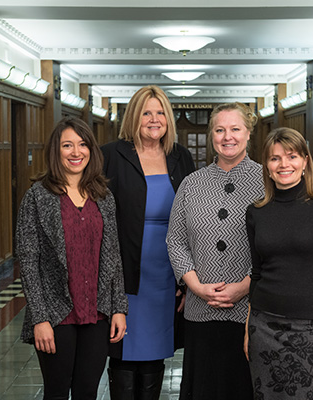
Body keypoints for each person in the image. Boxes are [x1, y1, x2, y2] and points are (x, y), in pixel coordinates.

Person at [15, 117, 128, 400]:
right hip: (56, 314)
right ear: (57, 150)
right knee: (55, 392)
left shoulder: (104, 195)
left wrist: (119, 309)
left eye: (82, 145)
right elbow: (28, 261)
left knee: (87, 391)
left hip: (97, 311)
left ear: (91, 150)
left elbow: (113, 256)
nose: (76, 152)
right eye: (68, 145)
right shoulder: (37, 197)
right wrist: (39, 318)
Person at [101, 85, 195, 400]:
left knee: (156, 348)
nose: (154, 120)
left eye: (160, 113)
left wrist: (187, 279)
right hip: (125, 268)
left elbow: (192, 218)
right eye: (146, 113)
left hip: (167, 272)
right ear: (134, 117)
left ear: (168, 118)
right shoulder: (110, 155)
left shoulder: (180, 156)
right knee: (123, 346)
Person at [166, 102, 264, 400]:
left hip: (249, 310)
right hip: (200, 308)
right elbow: (175, 240)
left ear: (248, 133)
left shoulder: (266, 182)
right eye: (220, 130)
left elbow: (272, 245)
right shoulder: (191, 184)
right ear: (211, 135)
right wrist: (194, 286)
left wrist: (245, 286)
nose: (227, 136)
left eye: (235, 129)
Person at [244, 127, 313, 400]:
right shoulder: (256, 212)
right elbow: (256, 273)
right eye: (275, 158)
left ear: (304, 161)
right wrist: (248, 329)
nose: (283, 165)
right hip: (262, 324)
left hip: (307, 328)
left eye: (291, 156)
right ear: (266, 166)